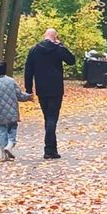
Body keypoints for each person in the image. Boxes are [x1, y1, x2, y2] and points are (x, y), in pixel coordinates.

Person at [25, 28, 76, 159]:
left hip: (41, 88)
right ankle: (49, 149)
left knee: (47, 117)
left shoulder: (34, 50)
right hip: (56, 88)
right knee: (52, 118)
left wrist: (29, 89)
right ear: (55, 37)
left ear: (44, 36)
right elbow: (71, 60)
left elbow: (28, 71)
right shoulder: (58, 49)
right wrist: (61, 45)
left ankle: (51, 149)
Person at [0, 61, 33, 161]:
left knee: (1, 131)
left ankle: (4, 154)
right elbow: (19, 95)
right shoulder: (11, 81)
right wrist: (28, 97)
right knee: (12, 129)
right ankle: (10, 145)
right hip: (12, 111)